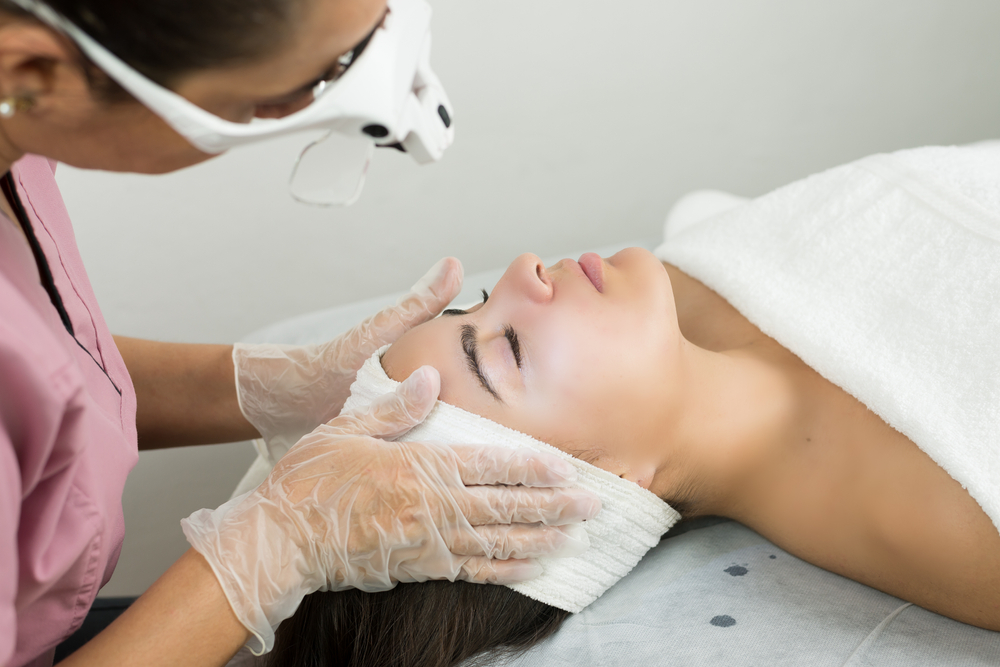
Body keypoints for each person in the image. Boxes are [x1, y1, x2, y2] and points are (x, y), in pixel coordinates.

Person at [0, 1, 602, 665]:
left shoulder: (18, 124)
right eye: (281, 96)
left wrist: (261, 390)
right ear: (32, 73)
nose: (527, 268)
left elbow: (30, 369)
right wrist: (279, 543)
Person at [260, 235, 1000, 666]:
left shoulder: (689, 278)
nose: (525, 270)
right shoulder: (948, 518)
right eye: (507, 348)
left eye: (477, 300)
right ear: (591, 487)